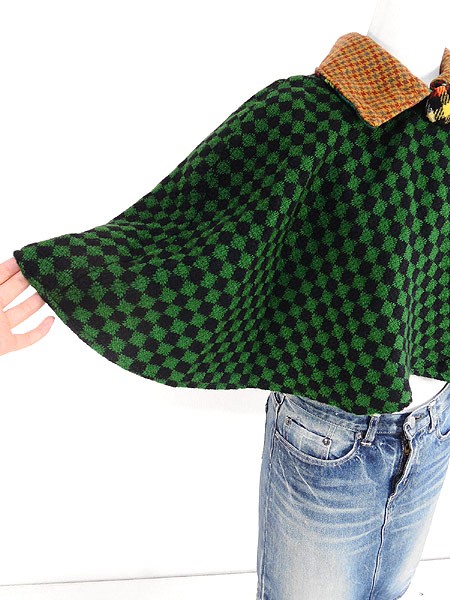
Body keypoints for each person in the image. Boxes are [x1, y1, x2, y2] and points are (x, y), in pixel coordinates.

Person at [2, 1, 450, 598]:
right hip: (330, 436)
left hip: (435, 422)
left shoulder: (443, 121)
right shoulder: (307, 114)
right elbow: (194, 233)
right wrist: (70, 271)